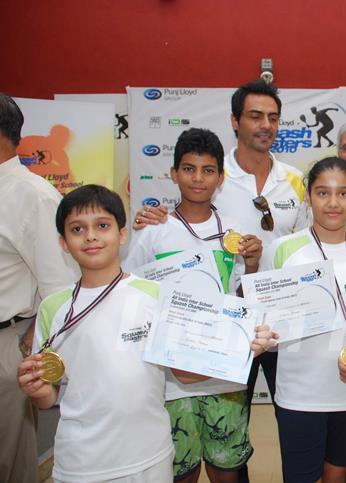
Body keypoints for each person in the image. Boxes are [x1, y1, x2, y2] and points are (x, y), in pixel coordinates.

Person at [133, 79, 309, 479]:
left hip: (285, 323)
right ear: (235, 120)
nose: (265, 124)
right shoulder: (216, 175)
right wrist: (151, 217)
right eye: (255, 116)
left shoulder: (297, 180)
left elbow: (308, 245)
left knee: (289, 425)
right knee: (219, 442)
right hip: (226, 331)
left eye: (273, 117)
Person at [123, 128, 263, 483]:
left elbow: (242, 300)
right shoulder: (153, 230)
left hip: (222, 376)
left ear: (220, 177)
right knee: (180, 471)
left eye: (207, 170)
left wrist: (254, 265)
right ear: (173, 173)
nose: (198, 178)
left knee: (225, 469)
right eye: (188, 169)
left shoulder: (233, 232)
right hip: (170, 378)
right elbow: (133, 293)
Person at [16, 185, 175, 482]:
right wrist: (38, 392)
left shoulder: (156, 295)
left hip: (149, 455)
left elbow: (188, 368)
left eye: (102, 226)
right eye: (77, 229)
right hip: (81, 462)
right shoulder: (54, 307)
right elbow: (48, 396)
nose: (90, 236)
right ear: (64, 243)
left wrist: (241, 347)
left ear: (123, 234)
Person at [254, 156, 346, 483]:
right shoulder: (281, 251)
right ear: (308, 195)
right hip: (299, 392)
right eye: (323, 193)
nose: (333, 203)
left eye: (343, 194)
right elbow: (261, 313)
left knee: (337, 473)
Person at [0, 92, 78, 483]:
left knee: (8, 458)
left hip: (6, 343)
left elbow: (61, 287)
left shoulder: (33, 195)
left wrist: (29, 341)